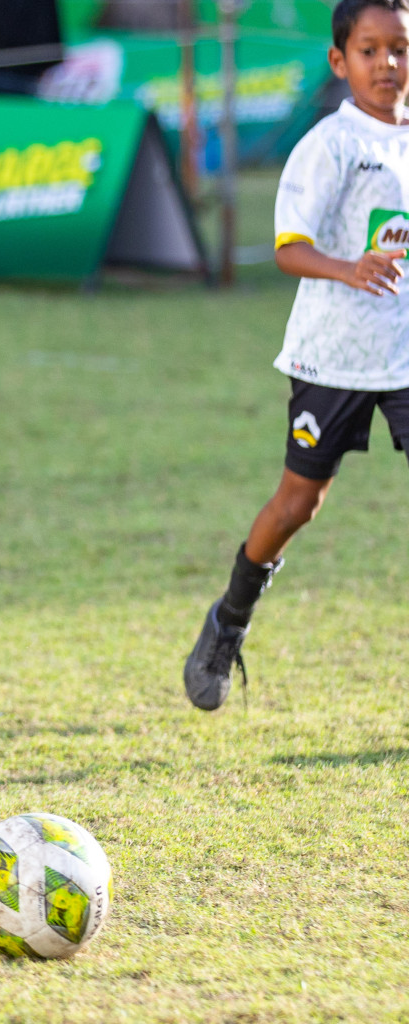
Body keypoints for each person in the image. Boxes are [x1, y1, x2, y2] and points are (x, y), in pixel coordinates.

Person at [184, 0, 409, 710]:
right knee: (298, 503)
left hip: (404, 355)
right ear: (340, 62)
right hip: (332, 358)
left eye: (399, 48)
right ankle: (229, 622)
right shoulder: (331, 144)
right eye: (370, 51)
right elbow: (290, 249)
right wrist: (351, 267)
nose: (388, 64)